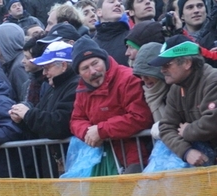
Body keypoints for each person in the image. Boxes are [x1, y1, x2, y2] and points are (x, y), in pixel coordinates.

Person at [70, 37, 153, 174]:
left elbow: (139, 117)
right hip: (102, 157)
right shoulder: (82, 89)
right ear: (79, 74)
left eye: (95, 63)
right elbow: (76, 119)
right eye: (85, 68)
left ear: (105, 60)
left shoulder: (128, 79)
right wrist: (87, 132)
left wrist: (101, 131)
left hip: (136, 156)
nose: (93, 71)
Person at [10, 41, 79, 177]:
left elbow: (60, 124)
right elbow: (40, 126)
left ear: (63, 66)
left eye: (47, 67)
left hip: (71, 161)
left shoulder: (74, 86)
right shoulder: (53, 87)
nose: (44, 72)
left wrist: (28, 114)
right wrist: (21, 120)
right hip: (54, 163)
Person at [150, 35, 217, 166]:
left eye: (167, 65)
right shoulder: (175, 89)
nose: (162, 70)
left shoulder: (213, 80)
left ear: (187, 63)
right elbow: (166, 127)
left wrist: (188, 131)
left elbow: (213, 121)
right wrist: (186, 152)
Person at [132, 42, 170, 140]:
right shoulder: (143, 93)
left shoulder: (175, 91)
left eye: (148, 74)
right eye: (140, 74)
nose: (143, 79)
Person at [93, 0, 130, 66]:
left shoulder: (132, 37)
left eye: (120, 3)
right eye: (111, 2)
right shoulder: (92, 45)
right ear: (99, 12)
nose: (118, 4)